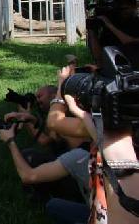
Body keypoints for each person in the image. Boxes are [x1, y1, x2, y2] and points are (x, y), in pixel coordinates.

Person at [48, 66, 139, 224]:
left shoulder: (110, 126)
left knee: (53, 206)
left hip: (111, 203)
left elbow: (54, 122)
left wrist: (61, 88)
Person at [0, 123, 91, 224]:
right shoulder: (102, 147)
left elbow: (27, 176)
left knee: (54, 206)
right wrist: (32, 119)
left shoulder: (79, 156)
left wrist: (10, 141)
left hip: (98, 215)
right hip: (104, 210)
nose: (57, 133)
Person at [89, 0, 139, 68]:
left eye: (124, 8)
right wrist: (92, 31)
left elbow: (128, 42)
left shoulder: (136, 23)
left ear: (134, 6)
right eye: (119, 9)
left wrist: (110, 25)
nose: (122, 12)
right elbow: (98, 56)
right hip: (112, 69)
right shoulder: (112, 24)